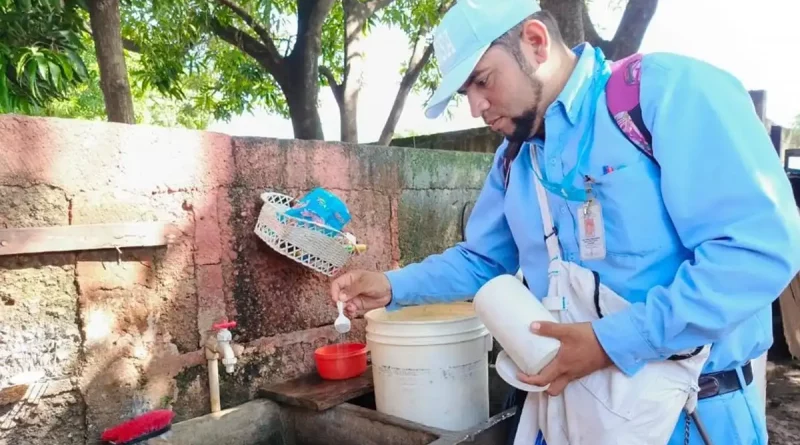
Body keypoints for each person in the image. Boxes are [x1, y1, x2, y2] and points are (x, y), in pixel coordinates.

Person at [330, 0, 800, 444]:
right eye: (465, 92)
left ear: (535, 42)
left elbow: (756, 251)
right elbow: (482, 260)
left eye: (482, 80)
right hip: (570, 412)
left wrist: (608, 343)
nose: (475, 107)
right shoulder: (515, 161)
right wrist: (392, 286)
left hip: (692, 415)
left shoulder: (663, 93)